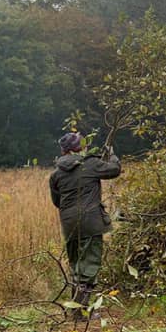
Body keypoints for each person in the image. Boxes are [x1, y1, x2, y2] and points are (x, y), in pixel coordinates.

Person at [49, 132, 122, 318]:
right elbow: (114, 170)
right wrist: (111, 154)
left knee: (76, 264)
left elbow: (57, 201)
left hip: (69, 223)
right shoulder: (89, 164)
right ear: (79, 147)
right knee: (89, 265)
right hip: (90, 221)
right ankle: (79, 312)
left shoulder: (56, 174)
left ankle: (76, 308)